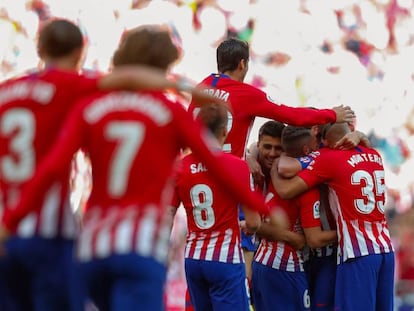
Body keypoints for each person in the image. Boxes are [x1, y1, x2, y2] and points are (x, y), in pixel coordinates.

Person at [0, 25, 270, 311]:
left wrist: (9, 221)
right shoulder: (167, 111)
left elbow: (53, 166)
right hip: (127, 246)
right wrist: (264, 209)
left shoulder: (84, 106)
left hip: (87, 245)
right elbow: (217, 164)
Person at [272, 122, 395, 311]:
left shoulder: (328, 157)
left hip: (357, 252)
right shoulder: (374, 154)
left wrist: (273, 165)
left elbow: (286, 187)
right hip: (386, 249)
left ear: (326, 141)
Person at [188, 37, 356, 159]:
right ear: (242, 64)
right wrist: (331, 114)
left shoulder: (201, 87)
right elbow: (291, 116)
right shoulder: (246, 94)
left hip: (196, 168)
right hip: (226, 170)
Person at [171, 103, 261, 311]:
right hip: (225, 260)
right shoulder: (238, 166)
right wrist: (246, 225)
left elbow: (168, 218)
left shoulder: (180, 167)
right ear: (224, 131)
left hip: (193, 259)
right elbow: (255, 222)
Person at [277, 126, 338, 311]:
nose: (319, 143)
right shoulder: (311, 160)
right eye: (315, 137)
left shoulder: (326, 156)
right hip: (307, 257)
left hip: (330, 255)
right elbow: (283, 169)